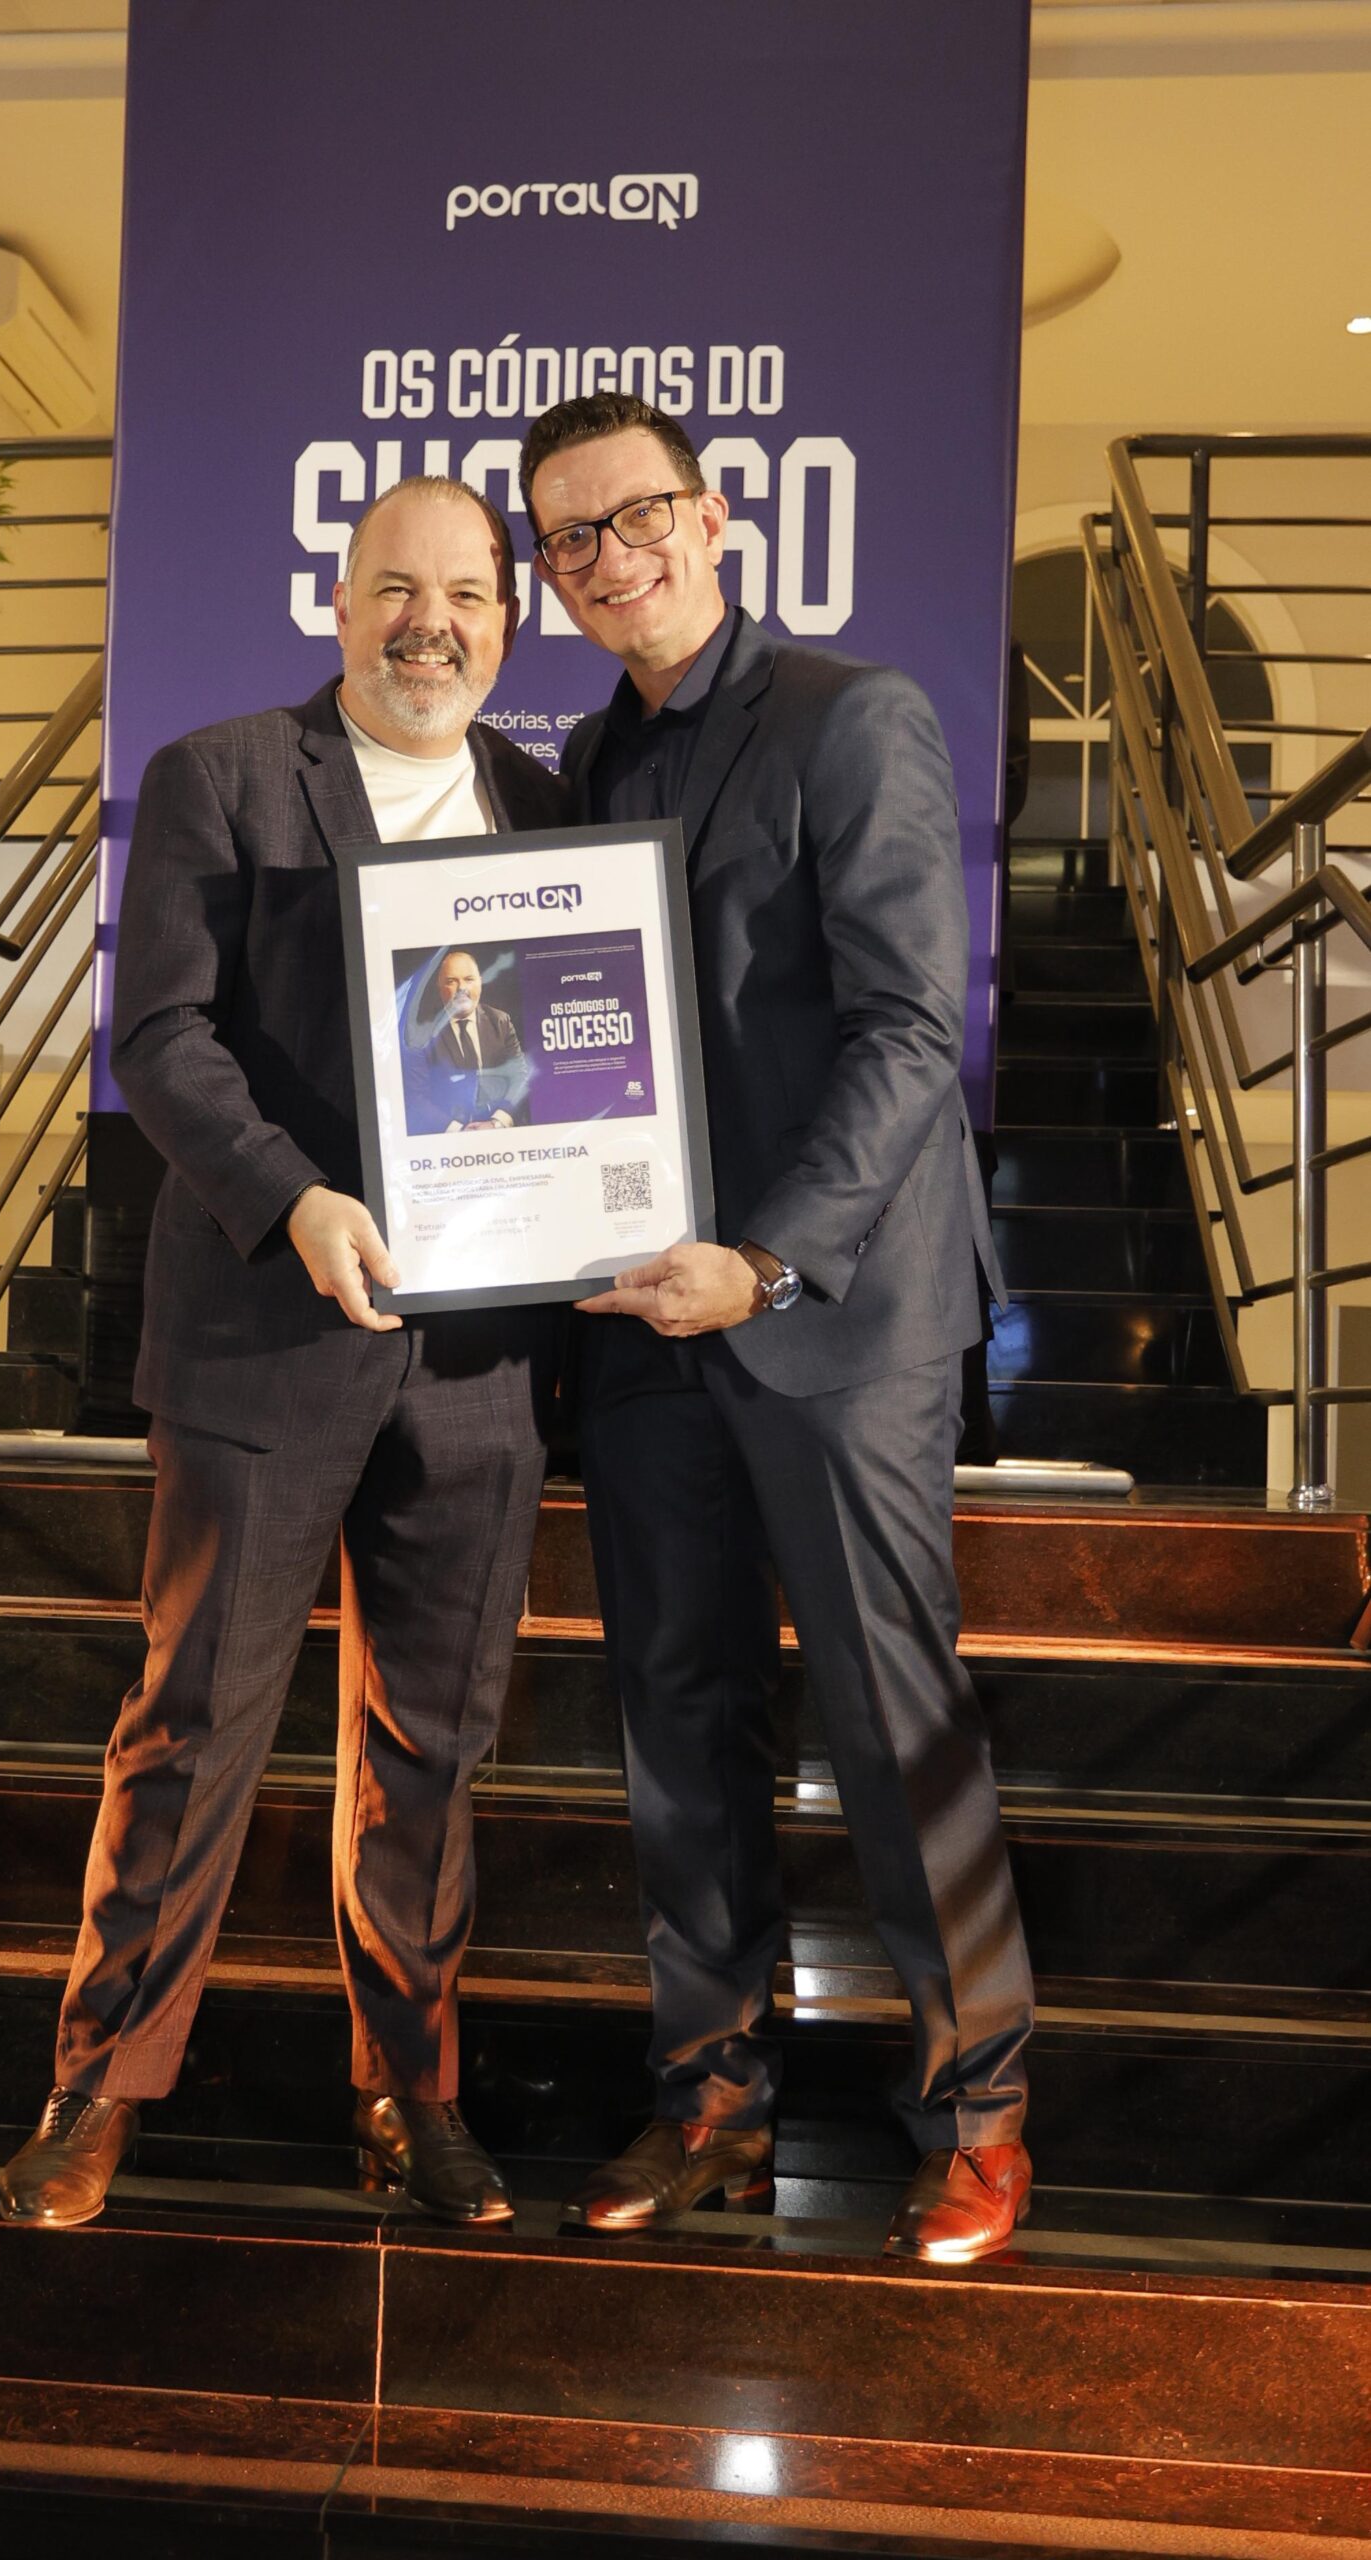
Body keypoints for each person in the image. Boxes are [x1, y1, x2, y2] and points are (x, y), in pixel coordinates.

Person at [0, 476, 564, 2232]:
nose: (429, 625)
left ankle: (409, 2094)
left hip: (476, 1360)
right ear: (338, 602)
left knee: (434, 1748)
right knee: (193, 1726)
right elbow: (161, 1037)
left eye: (464, 595)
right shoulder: (224, 774)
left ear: (506, 621)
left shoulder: (550, 810)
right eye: (396, 588)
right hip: (262, 1331)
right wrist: (295, 1199)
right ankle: (100, 2084)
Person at [521, 394, 1035, 2262]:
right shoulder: (581, 764)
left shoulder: (850, 715)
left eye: (637, 514)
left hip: (834, 1311)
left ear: (713, 516)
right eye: (569, 539)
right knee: (678, 1714)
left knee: (897, 1720)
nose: (611, 558)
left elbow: (909, 1031)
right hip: (642, 1321)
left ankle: (975, 2115)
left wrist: (769, 1258)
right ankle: (712, 2096)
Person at [405, 945, 531, 1133]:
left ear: (480, 982)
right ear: (439, 986)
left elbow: (520, 1075)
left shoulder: (500, 1021)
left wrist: (497, 1122)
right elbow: (415, 1098)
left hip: (501, 1130)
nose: (461, 988)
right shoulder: (420, 1033)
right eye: (451, 981)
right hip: (448, 1138)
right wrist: (459, 1131)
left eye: (469, 979)